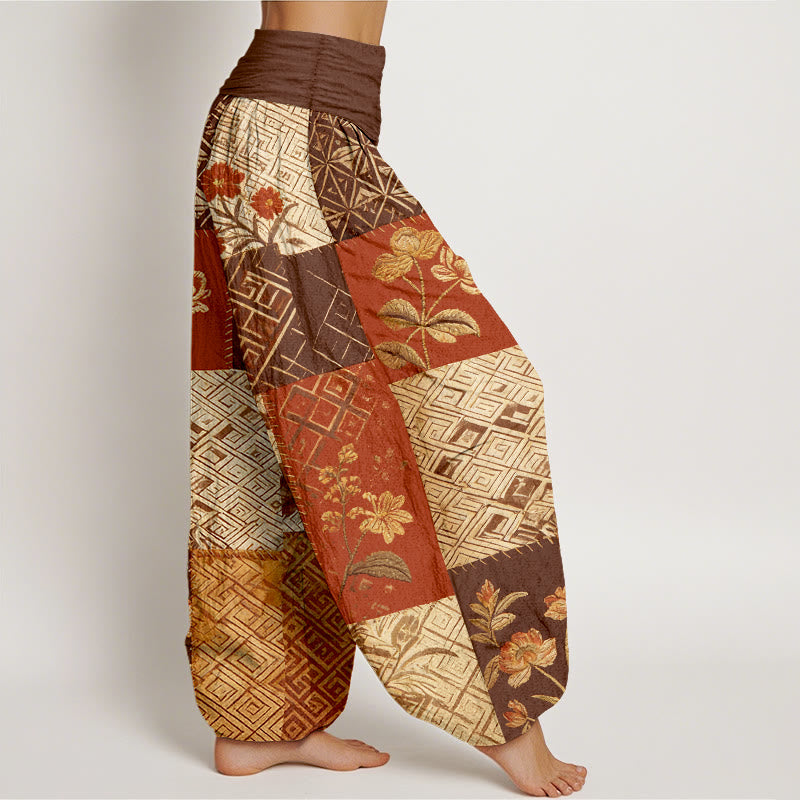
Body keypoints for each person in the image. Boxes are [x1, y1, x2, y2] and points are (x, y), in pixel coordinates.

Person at [187, 2, 588, 796]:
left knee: (266, 434)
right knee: (429, 406)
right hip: (291, 125)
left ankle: (261, 719)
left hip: (302, 123)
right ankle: (503, 716)